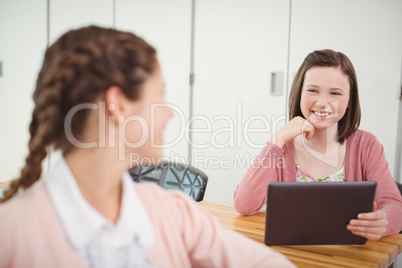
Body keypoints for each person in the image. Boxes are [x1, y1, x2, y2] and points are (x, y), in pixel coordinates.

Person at [0, 26, 294, 267]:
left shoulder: (173, 213)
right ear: (118, 105)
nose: (169, 113)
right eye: (161, 95)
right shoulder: (11, 235)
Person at [234, 49, 402, 241]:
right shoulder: (282, 148)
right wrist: (277, 139)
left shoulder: (367, 145)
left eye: (335, 93)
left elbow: (394, 205)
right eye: (313, 90)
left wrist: (384, 221)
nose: (322, 102)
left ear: (350, 100)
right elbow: (243, 205)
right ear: (299, 92)